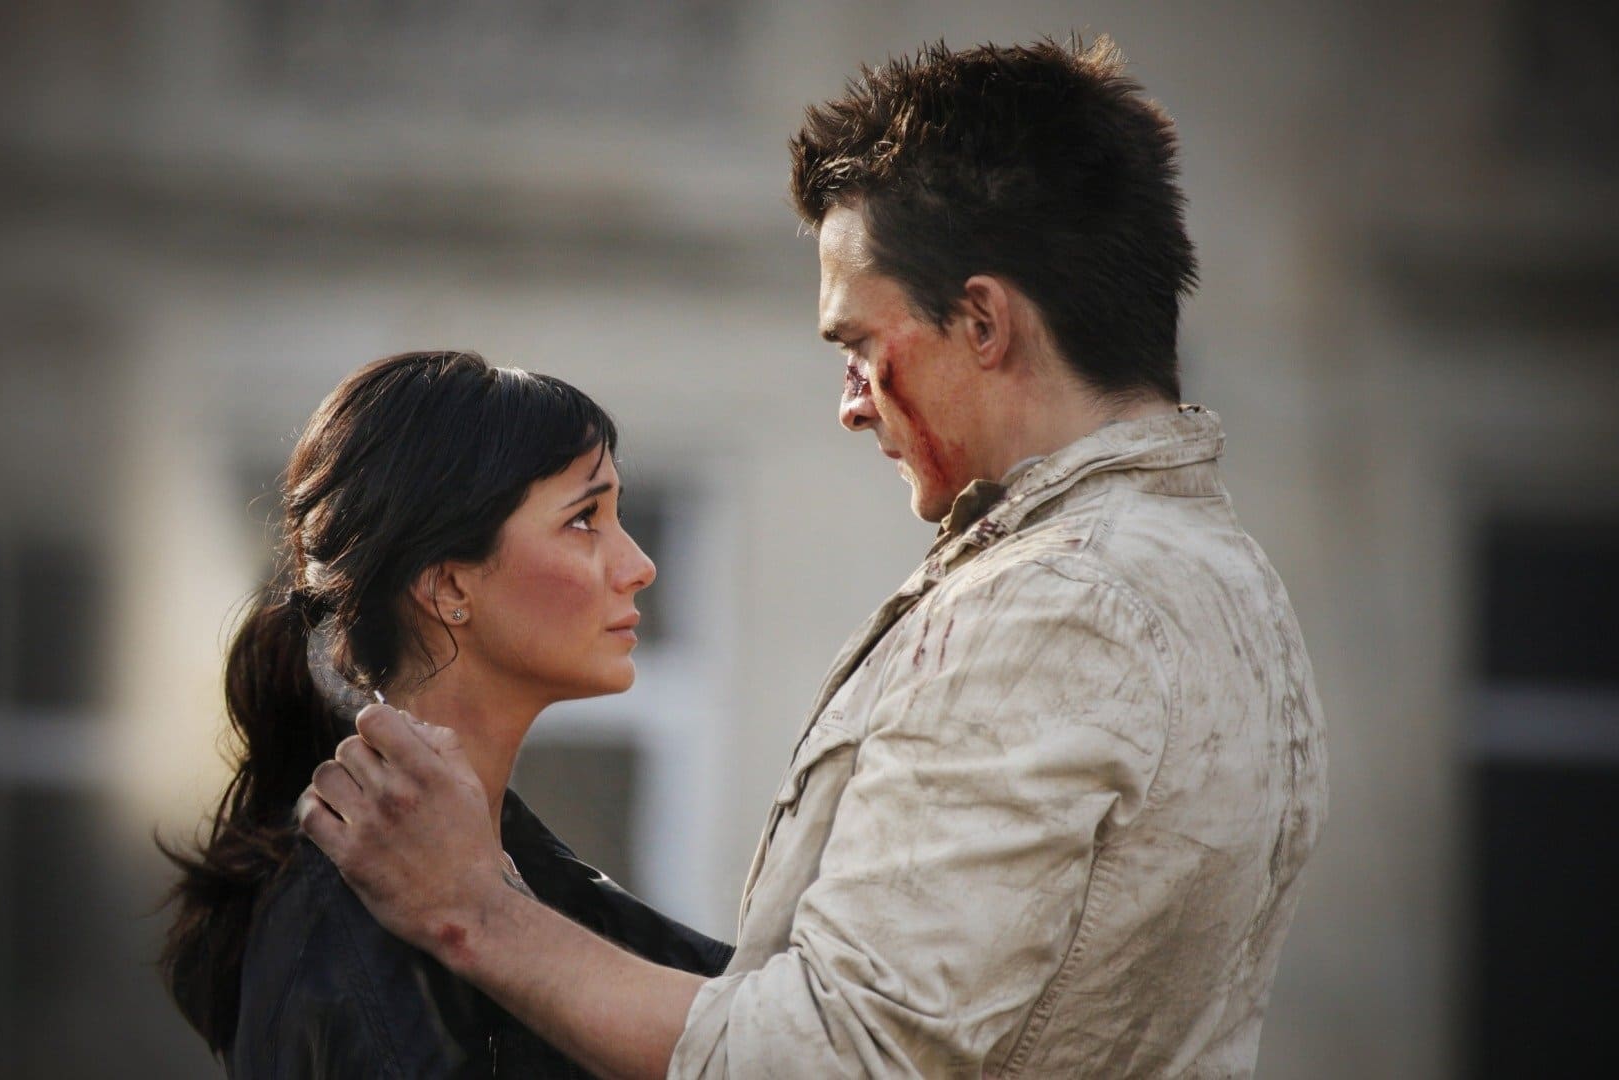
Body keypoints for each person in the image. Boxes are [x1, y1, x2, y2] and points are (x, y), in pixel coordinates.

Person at [300, 37, 1329, 1078]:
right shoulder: (1231, 579)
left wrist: (471, 911)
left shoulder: (1056, 607)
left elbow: (841, 1056)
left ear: (983, 322)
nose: (850, 405)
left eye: (860, 346)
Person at [159, 351, 732, 1077]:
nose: (640, 565)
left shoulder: (533, 888)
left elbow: (786, 1036)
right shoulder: (340, 919)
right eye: (585, 519)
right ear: (448, 587)